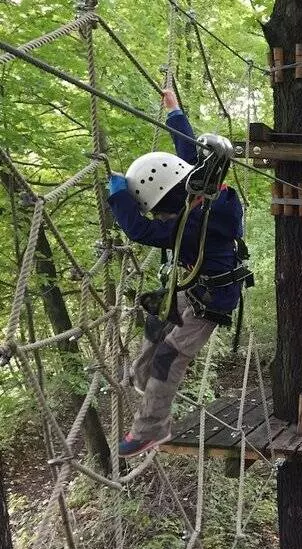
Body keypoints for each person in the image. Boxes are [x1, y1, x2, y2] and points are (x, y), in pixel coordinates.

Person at [107, 90, 247, 458]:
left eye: (160, 211)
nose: (160, 217)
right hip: (194, 284)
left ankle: (151, 428)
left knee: (169, 357)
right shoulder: (203, 194)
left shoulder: (191, 222)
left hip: (212, 300)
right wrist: (175, 113)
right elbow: (188, 159)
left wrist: (118, 193)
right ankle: (146, 380)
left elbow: (138, 230)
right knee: (156, 322)